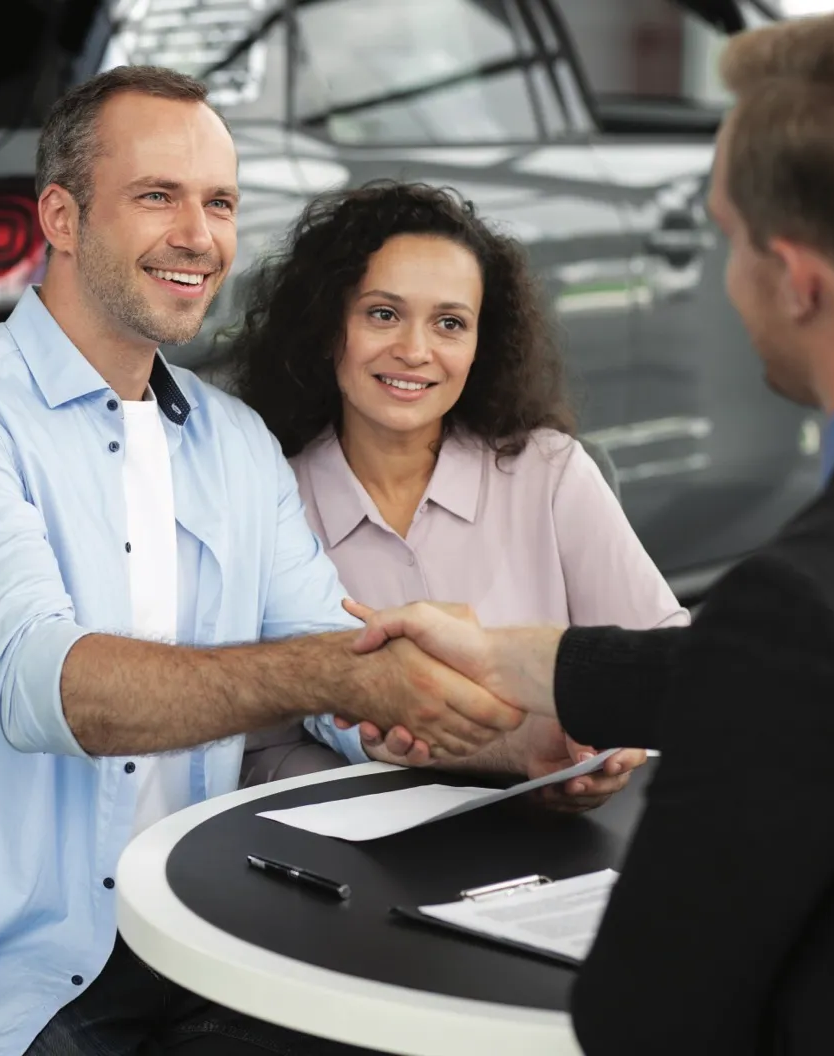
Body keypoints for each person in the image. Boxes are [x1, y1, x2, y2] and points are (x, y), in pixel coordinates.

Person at [0, 65, 580, 1056]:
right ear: (61, 217)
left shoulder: (232, 442)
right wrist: (331, 674)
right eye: (157, 196)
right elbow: (50, 689)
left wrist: (531, 749)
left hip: (200, 939)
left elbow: (346, 679)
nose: (198, 236)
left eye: (219, 203)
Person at [343, 6, 834, 1053]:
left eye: (726, 240)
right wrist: (512, 660)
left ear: (796, 277)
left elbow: (644, 1010)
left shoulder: (802, 607)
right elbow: (727, 670)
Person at [227, 182, 686, 788]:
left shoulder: (551, 473)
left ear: (479, 346)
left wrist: (598, 753)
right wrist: (404, 767)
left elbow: (672, 666)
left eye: (449, 323)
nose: (415, 351)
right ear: (327, 326)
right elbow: (254, 752)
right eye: (383, 314)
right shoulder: (266, 499)